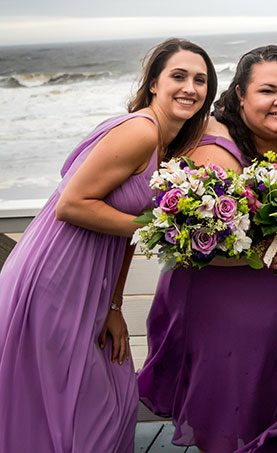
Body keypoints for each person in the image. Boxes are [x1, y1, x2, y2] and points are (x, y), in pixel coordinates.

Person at [0, 38, 215, 452]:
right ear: (154, 83)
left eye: (200, 80)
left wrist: (114, 305)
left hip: (92, 281)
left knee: (113, 396)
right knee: (67, 403)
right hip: (56, 276)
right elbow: (71, 205)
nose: (190, 87)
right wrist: (158, 228)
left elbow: (128, 234)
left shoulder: (166, 146)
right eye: (179, 76)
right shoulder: (141, 130)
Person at [137, 45, 277, 453]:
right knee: (229, 421)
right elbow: (185, 241)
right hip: (224, 317)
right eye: (267, 90)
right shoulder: (217, 151)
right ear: (240, 95)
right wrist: (257, 253)